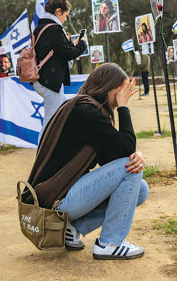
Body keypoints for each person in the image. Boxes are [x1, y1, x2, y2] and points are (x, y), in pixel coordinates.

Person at [25, 64, 148, 259]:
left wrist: (134, 155)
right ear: (110, 89)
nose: (125, 95)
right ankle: (109, 243)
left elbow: (112, 157)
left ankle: (72, 228)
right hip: (57, 202)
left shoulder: (84, 108)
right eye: (121, 91)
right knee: (130, 169)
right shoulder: (86, 112)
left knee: (140, 189)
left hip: (62, 196)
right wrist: (123, 107)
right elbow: (125, 153)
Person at [33, 0, 88, 136]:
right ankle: (42, 155)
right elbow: (69, 54)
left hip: (44, 80)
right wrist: (82, 44)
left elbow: (60, 51)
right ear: (58, 12)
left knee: (66, 110)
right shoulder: (54, 29)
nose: (65, 19)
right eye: (65, 15)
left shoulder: (41, 27)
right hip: (50, 83)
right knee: (49, 124)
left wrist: (74, 44)